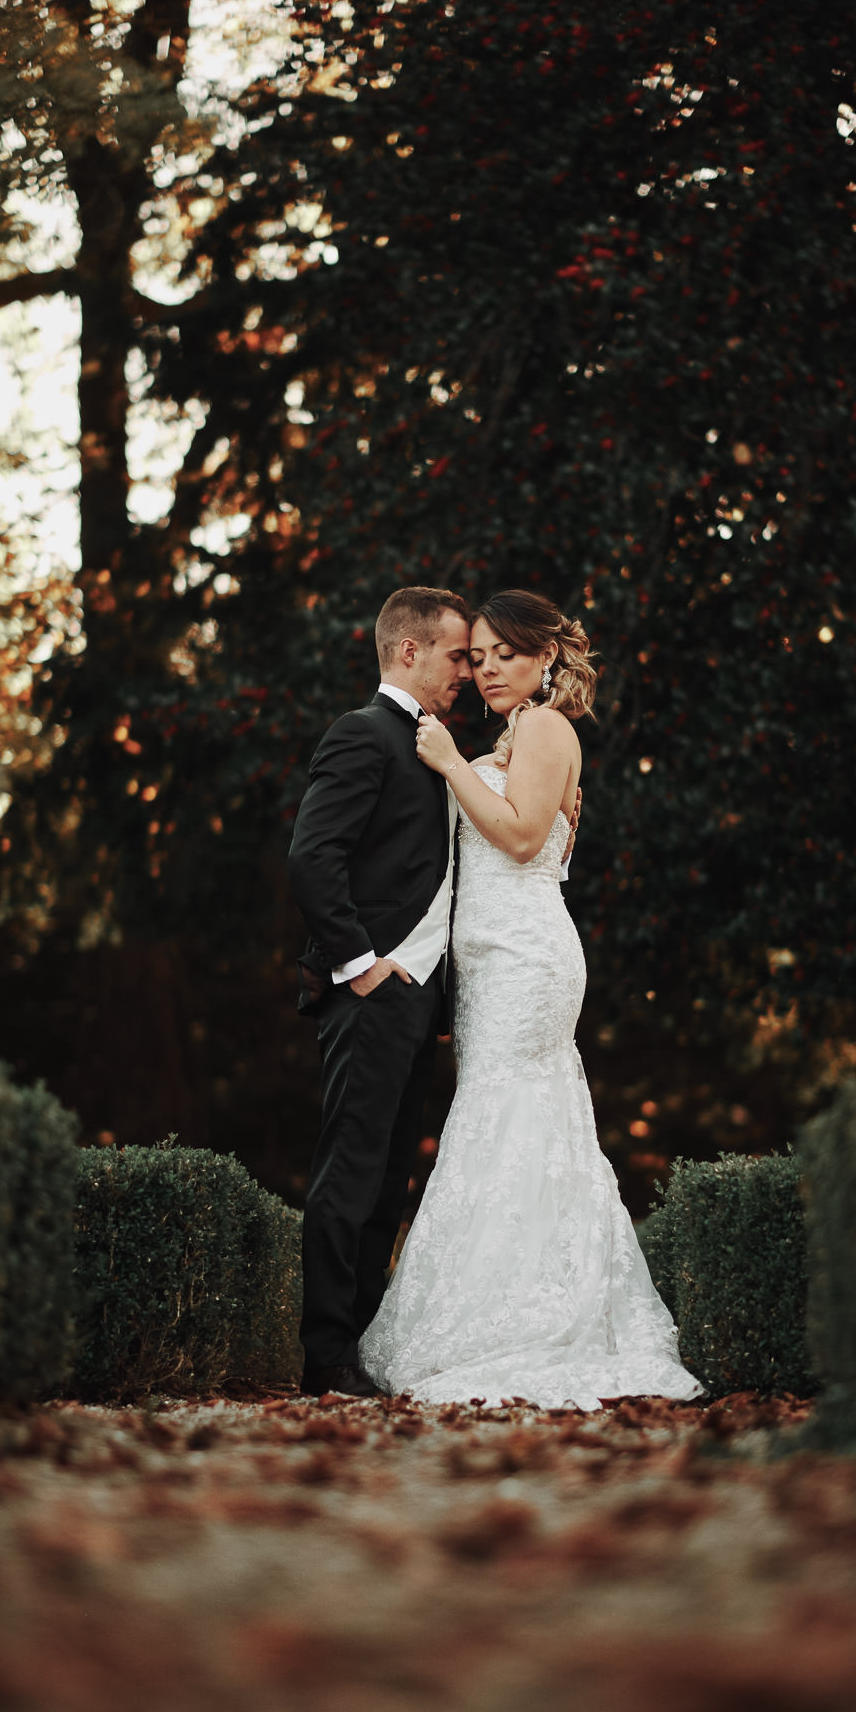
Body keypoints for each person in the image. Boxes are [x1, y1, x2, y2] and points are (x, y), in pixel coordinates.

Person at [359, 588, 700, 1408]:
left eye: (504, 655)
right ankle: (507, 1309)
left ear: (545, 656)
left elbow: (516, 837)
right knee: (501, 1124)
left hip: (528, 959)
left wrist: (445, 763)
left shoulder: (548, 728)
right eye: (476, 658)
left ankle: (535, 1324)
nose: (486, 672)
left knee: (511, 1119)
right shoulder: (514, 734)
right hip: (487, 966)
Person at [287, 586, 473, 1397]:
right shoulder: (362, 736)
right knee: (351, 1175)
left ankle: (358, 1348)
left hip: (420, 999)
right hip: (372, 989)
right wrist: (360, 963)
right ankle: (325, 1358)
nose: (467, 670)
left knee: (390, 1181)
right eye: (458, 654)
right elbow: (311, 856)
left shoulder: (436, 747)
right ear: (410, 651)